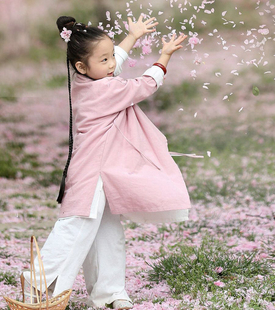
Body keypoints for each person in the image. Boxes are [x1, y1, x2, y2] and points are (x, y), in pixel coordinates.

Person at [21, 14, 191, 310]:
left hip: (103, 171)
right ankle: (38, 283)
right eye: (105, 60)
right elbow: (146, 84)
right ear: (82, 67)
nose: (112, 64)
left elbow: (112, 61)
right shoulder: (105, 90)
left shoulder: (84, 81)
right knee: (76, 227)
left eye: (111, 56)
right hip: (93, 172)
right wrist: (164, 56)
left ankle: (109, 293)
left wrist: (132, 37)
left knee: (108, 233)